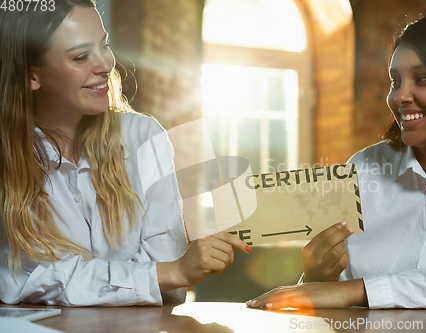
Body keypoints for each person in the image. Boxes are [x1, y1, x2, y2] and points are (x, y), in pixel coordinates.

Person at [0, 0, 250, 306]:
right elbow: (27, 280)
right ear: (32, 76)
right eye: (80, 56)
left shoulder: (144, 137)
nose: (106, 64)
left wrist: (166, 273)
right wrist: (164, 273)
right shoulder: (8, 160)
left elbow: (170, 285)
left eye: (104, 45)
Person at [246, 9, 426, 309]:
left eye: (422, 78)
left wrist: (361, 291)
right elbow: (325, 296)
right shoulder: (360, 170)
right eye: (395, 81)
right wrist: (317, 275)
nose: (399, 97)